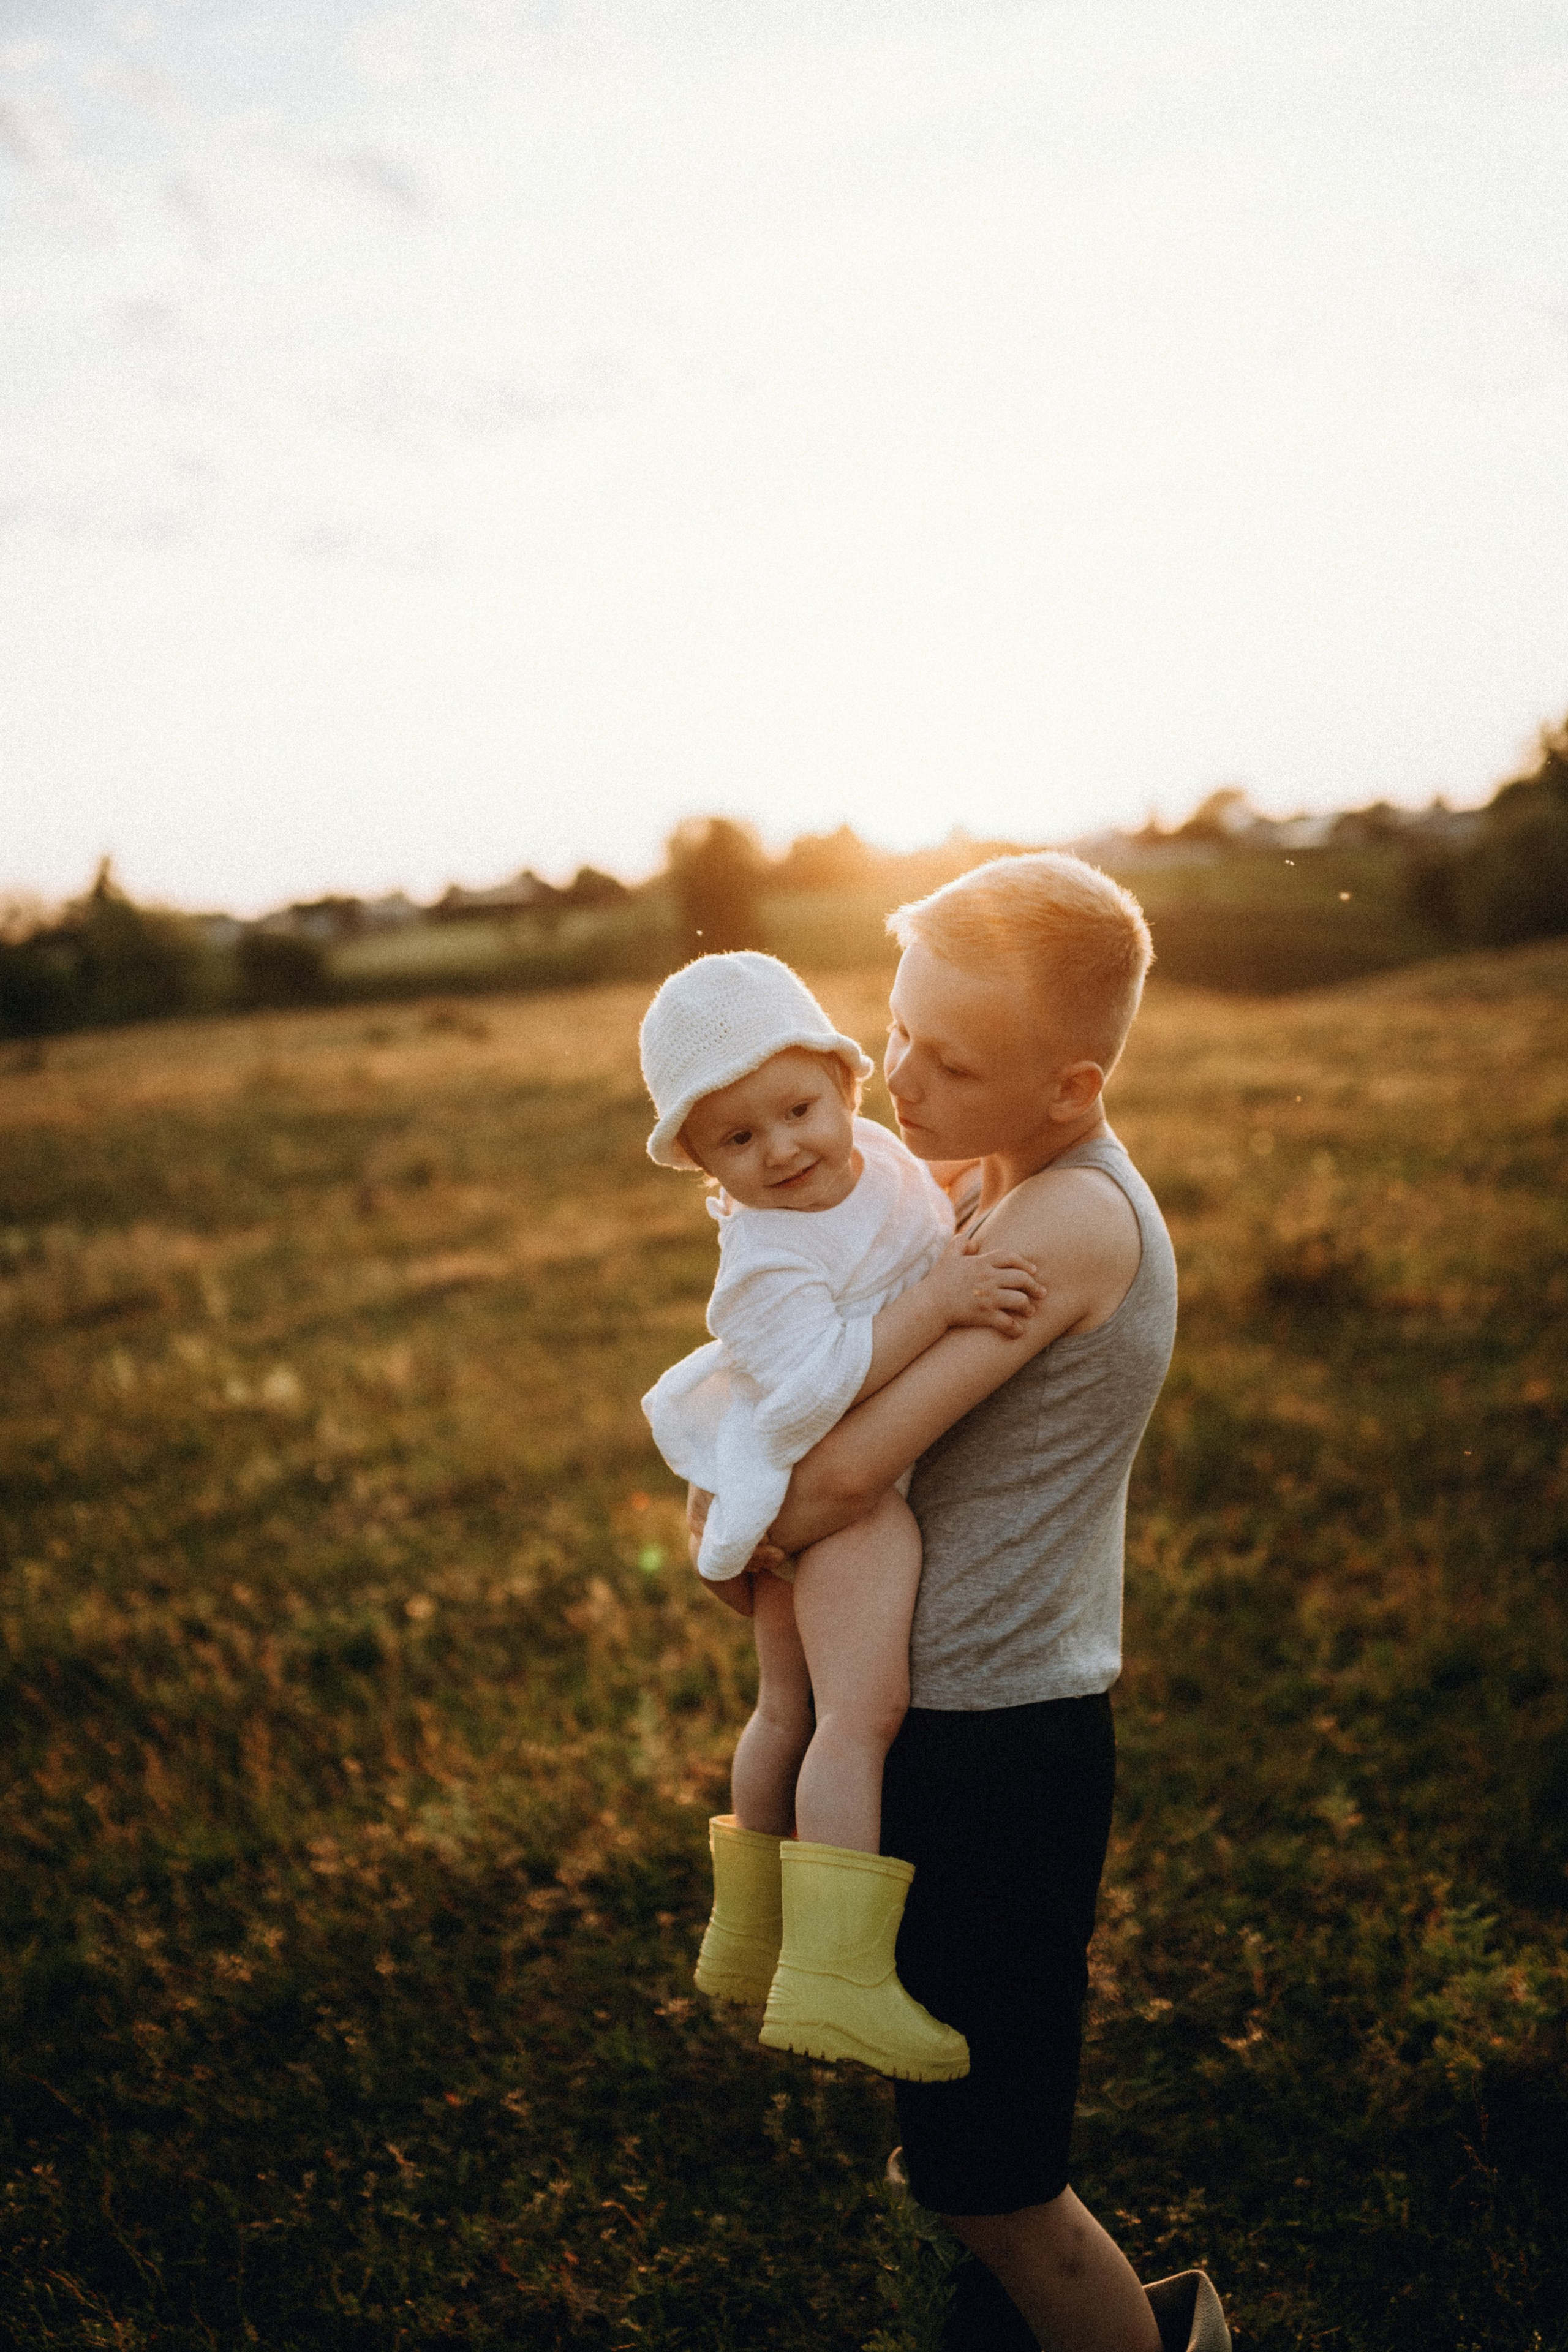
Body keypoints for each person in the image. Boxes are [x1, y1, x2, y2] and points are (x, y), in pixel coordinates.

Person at [690, 858, 1230, 2352]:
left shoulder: (1067, 1223)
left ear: (1070, 1088)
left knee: (995, 2184)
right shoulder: (978, 1178)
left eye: (952, 1060)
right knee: (953, 2155)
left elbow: (838, 1475)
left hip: (999, 1741)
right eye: (896, 1031)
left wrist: (746, 1504)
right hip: (932, 1717)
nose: (899, 1079)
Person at [639, 951, 1046, 2083]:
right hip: (825, 1493)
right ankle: (836, 1977)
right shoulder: (762, 1255)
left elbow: (918, 1207)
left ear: (844, 1083)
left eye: (798, 1111)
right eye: (736, 1139)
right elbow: (813, 1391)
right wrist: (941, 1301)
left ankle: (748, 1936)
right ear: (699, 1160)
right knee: (856, 1719)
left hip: (800, 1482)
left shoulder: (874, 1156)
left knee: (788, 1706)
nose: (780, 1150)